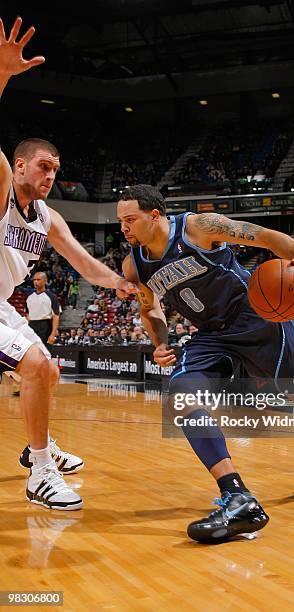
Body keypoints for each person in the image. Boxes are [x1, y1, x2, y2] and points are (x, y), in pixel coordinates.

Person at [117, 184, 294, 544]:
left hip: (257, 320)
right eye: (120, 221)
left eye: (130, 219)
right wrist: (159, 342)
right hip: (212, 335)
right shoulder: (134, 263)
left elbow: (264, 237)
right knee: (180, 396)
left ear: (154, 215)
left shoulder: (198, 227)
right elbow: (149, 308)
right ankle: (238, 496)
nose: (123, 228)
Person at [0, 17, 137, 510]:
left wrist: (121, 284)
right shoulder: (1, 188)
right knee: (37, 367)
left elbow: (84, 265)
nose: (51, 176)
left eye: (56, 170)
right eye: (43, 166)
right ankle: (39, 471)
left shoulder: (49, 217)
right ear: (19, 165)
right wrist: (1, 75)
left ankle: (38, 450)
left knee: (47, 371)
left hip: (1, 306)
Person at [26, 272, 60, 346]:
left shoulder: (51, 296)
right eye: (34, 280)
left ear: (45, 281)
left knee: (44, 352)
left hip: (45, 326)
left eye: (38, 279)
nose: (35, 282)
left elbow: (56, 316)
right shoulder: (29, 297)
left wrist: (53, 334)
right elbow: (28, 315)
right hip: (31, 325)